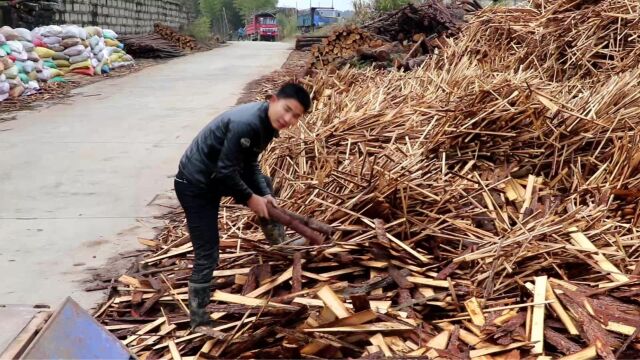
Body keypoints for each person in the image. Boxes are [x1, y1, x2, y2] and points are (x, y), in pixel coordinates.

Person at [174, 83, 311, 329]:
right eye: (287, 109)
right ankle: (198, 318)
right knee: (208, 252)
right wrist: (251, 198)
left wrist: (265, 195)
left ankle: (279, 243)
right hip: (195, 185)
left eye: (296, 116)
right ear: (272, 100)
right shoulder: (246, 123)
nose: (288, 119)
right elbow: (226, 171)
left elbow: (250, 165)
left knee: (264, 185)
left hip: (216, 177)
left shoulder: (267, 124)